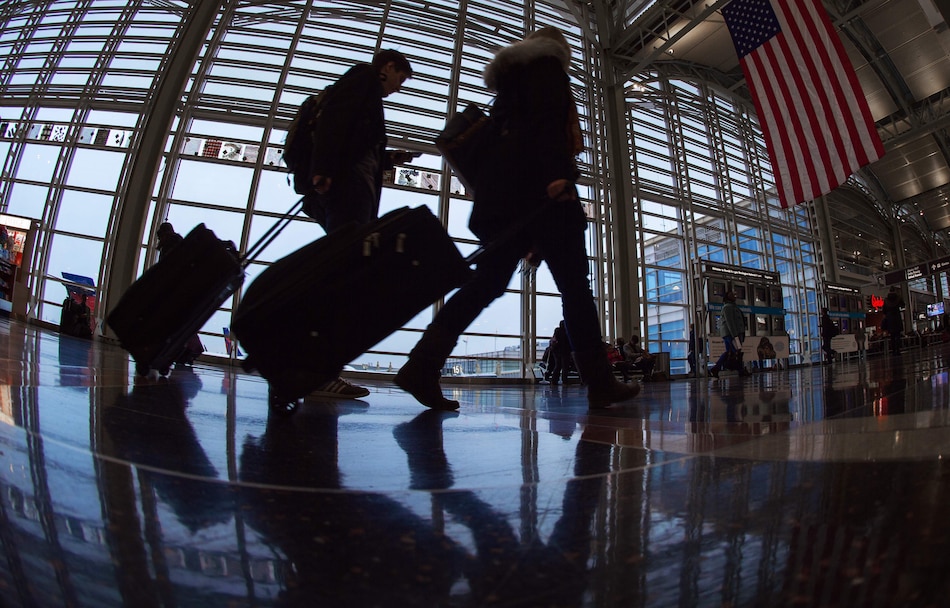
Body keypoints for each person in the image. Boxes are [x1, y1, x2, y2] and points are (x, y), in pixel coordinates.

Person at [394, 27, 639, 410]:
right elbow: (547, 124)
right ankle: (599, 381)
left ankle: (421, 365)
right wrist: (559, 173)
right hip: (544, 195)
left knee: (485, 284)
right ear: (559, 48)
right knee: (575, 287)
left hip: (504, 202)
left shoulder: (509, 86)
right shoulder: (547, 67)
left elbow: (512, 142)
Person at [305, 49, 414, 398]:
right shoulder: (361, 81)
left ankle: (321, 369)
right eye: (400, 78)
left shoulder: (365, 91)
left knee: (342, 277)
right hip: (349, 194)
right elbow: (334, 121)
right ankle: (320, 372)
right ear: (388, 67)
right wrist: (322, 169)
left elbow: (355, 140)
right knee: (341, 279)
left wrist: (391, 158)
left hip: (354, 194)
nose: (398, 87)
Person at [709, 290, 750, 378]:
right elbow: (730, 322)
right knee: (737, 351)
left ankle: (716, 368)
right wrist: (735, 335)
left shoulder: (732, 307)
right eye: (732, 295)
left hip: (731, 334)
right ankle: (741, 370)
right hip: (732, 334)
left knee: (729, 352)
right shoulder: (728, 307)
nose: (734, 296)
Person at [548, 320, 573, 385]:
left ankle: (554, 380)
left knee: (557, 366)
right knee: (565, 367)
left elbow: (555, 339)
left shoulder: (557, 330)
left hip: (557, 351)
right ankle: (565, 381)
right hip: (566, 351)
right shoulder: (568, 331)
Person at [883, 286, 904, 355]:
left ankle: (893, 351)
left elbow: (884, 311)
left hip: (890, 319)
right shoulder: (898, 298)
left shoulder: (886, 300)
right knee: (898, 336)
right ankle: (898, 350)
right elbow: (903, 305)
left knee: (892, 336)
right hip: (897, 317)